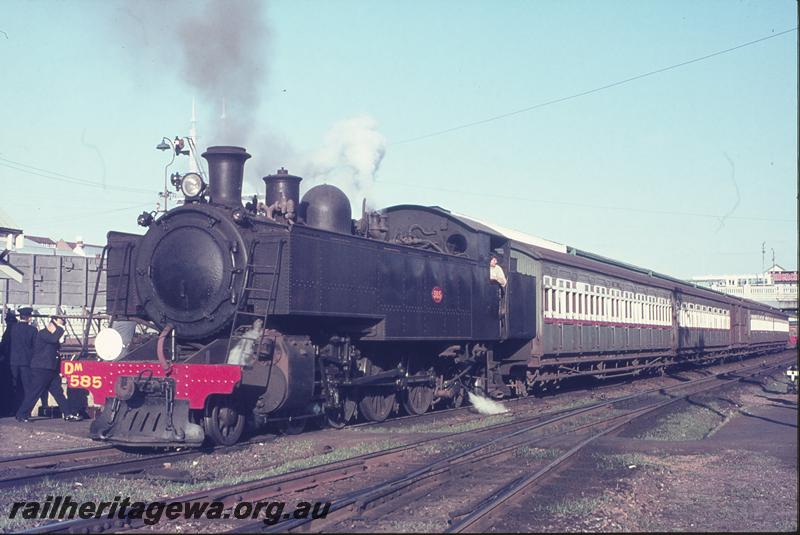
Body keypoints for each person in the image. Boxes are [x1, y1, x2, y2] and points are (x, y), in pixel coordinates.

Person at [15, 314, 82, 422]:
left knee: (58, 393)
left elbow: (55, 350)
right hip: (41, 369)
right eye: (55, 326)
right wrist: (60, 326)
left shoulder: (50, 335)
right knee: (34, 392)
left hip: (51, 369)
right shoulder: (43, 334)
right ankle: (21, 414)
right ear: (51, 325)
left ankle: (68, 414)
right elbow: (54, 338)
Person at [6, 307, 37, 415]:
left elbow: (7, 344)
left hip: (12, 361)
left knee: (13, 386)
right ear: (29, 317)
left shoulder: (13, 328)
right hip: (26, 362)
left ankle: (11, 409)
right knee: (27, 388)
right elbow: (35, 347)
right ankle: (25, 411)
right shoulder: (33, 330)